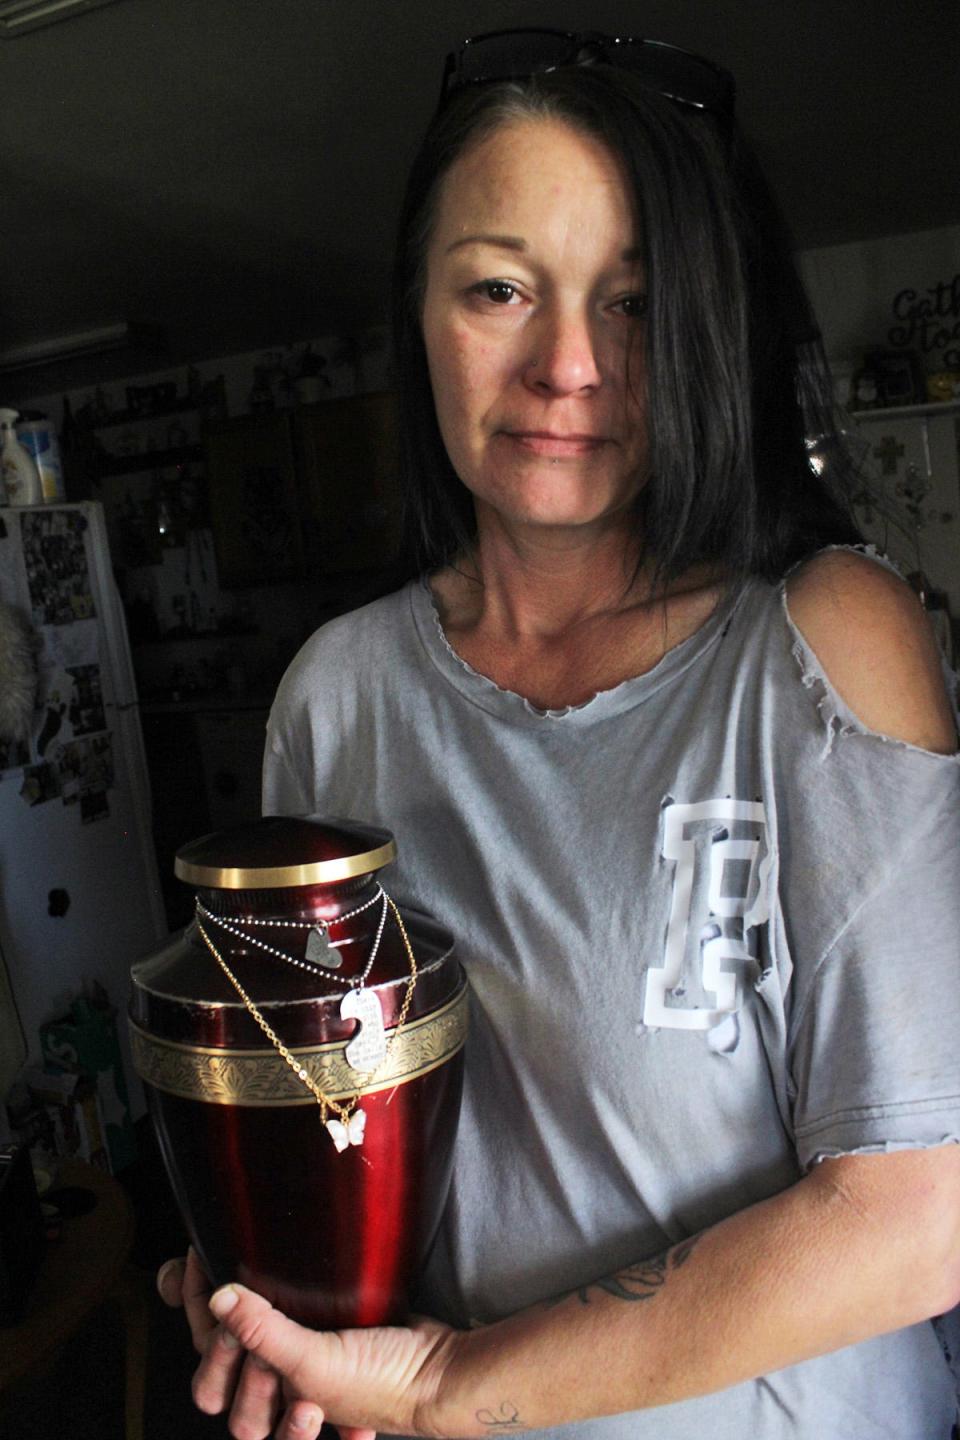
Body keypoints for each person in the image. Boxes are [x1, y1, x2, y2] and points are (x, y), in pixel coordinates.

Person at [158, 28, 960, 1440]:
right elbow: (324, 1119)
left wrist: (451, 1387)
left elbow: (918, 1214)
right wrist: (269, 1293)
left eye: (636, 303)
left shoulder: (824, 649)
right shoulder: (332, 699)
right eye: (499, 289)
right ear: (418, 306)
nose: (568, 365)